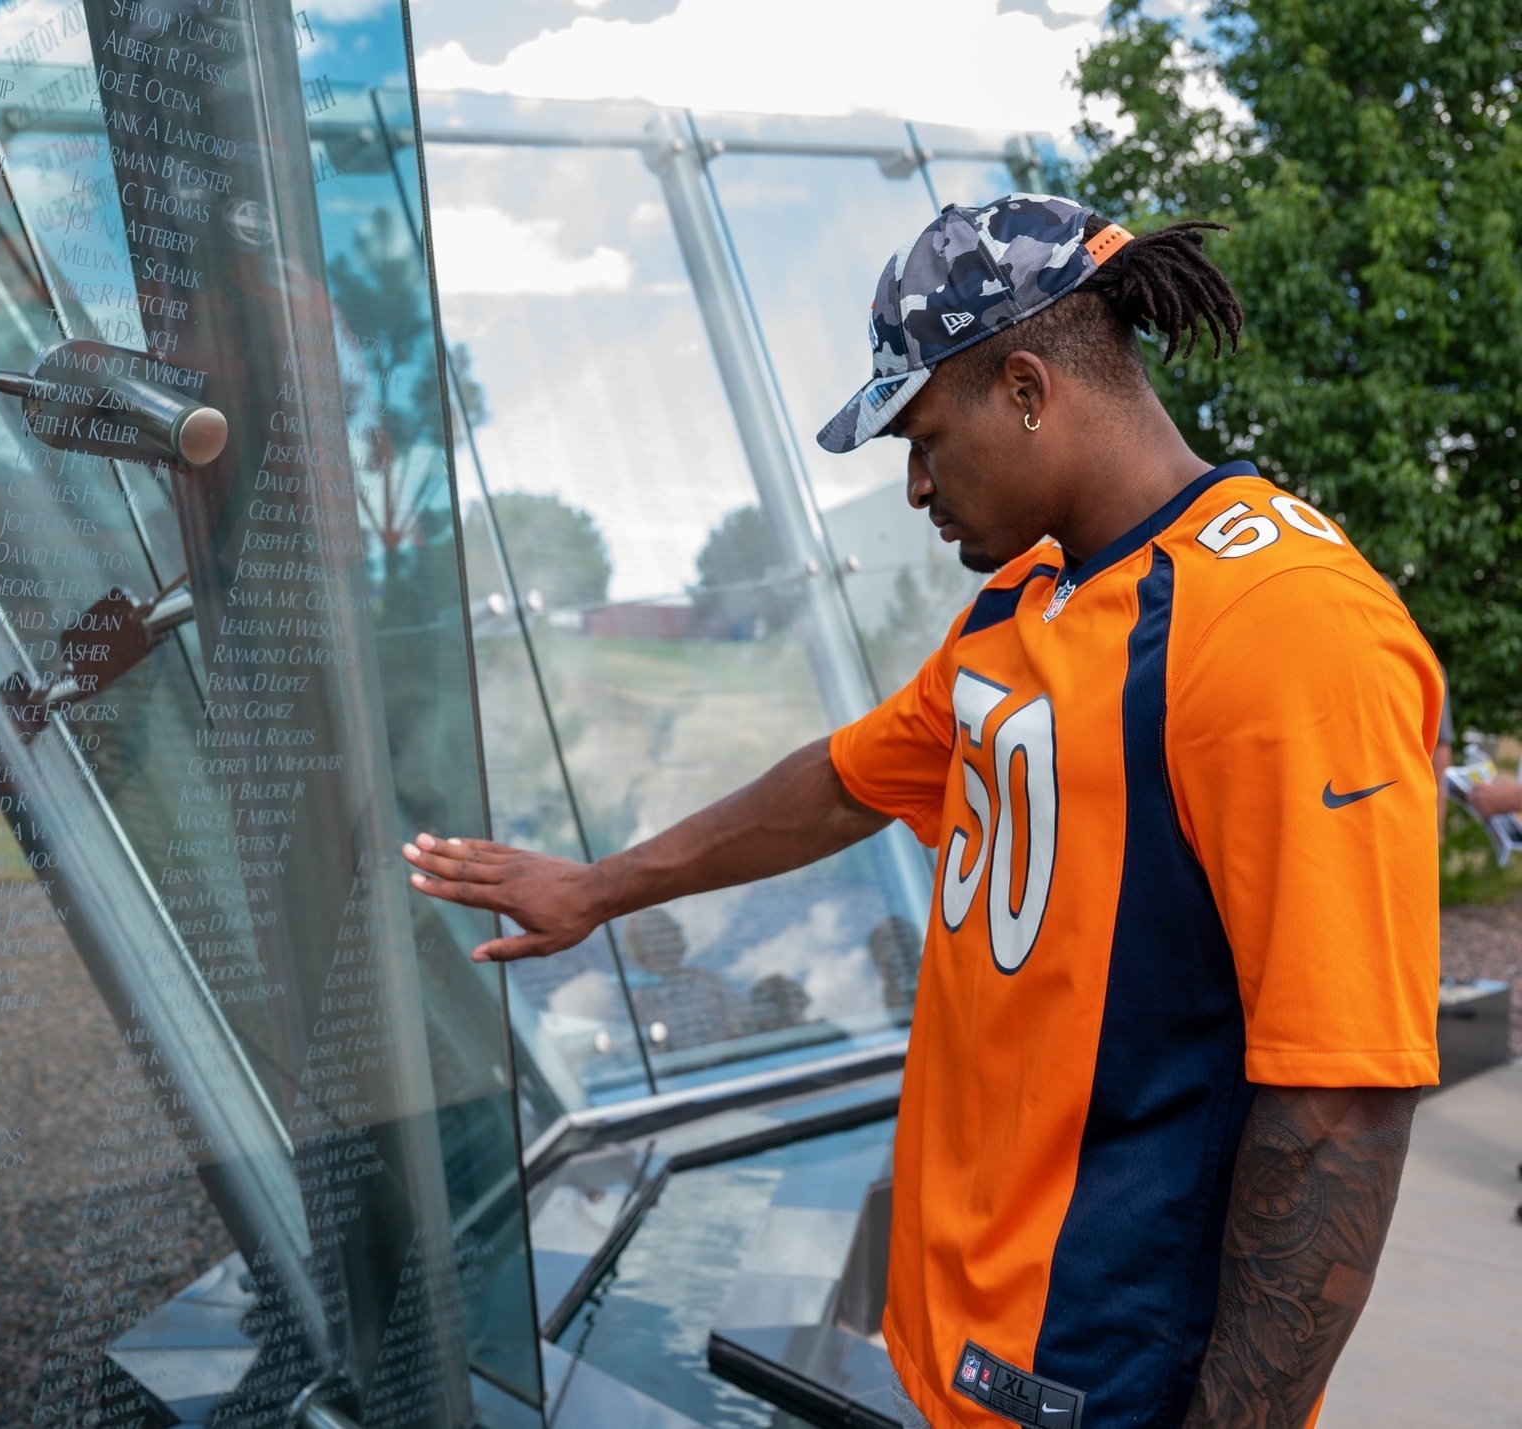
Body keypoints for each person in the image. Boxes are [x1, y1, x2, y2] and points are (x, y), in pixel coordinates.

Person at [403, 195, 1444, 1429]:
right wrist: (598, 888)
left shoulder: (1285, 629)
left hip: (1102, 1379)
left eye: (922, 434)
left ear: (1023, 388)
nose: (911, 485)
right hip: (958, 1355)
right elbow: (846, 779)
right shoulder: (1024, 603)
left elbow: (1339, 1102)